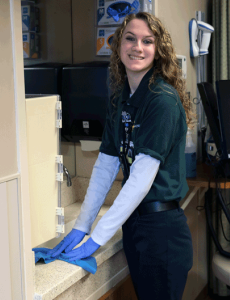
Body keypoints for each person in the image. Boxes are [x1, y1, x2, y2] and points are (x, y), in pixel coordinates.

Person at [50, 12, 194, 300]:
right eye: (130, 38)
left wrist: (98, 237)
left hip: (161, 231)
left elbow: (141, 179)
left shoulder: (161, 101)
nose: (137, 47)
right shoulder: (121, 99)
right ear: (117, 45)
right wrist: (82, 226)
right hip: (136, 227)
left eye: (147, 41)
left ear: (158, 50)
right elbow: (105, 166)